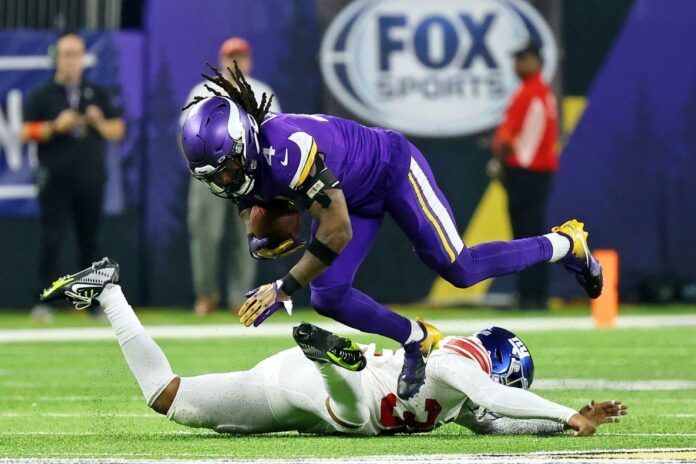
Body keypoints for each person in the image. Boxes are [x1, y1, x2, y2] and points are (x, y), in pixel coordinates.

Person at [179, 63, 603, 400]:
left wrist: (283, 288)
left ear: (245, 143)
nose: (226, 182)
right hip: (352, 194)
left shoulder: (287, 150)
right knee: (329, 296)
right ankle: (416, 339)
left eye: (229, 168)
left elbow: (337, 230)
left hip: (392, 169)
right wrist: (264, 236)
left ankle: (567, 243)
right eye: (215, 177)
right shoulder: (242, 168)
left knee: (459, 267)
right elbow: (256, 208)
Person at [40, 258, 627, 437]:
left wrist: (562, 427)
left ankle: (111, 289)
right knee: (356, 417)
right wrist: (567, 412)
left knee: (165, 397)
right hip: (335, 392)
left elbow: (496, 424)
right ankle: (333, 360)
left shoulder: (459, 389)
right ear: (500, 359)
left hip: (286, 382)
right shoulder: (458, 360)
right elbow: (489, 392)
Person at [22, 33, 125, 322]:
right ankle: (43, 303)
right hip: (55, 179)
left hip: (90, 179)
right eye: (66, 54)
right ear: (58, 58)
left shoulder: (96, 93)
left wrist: (98, 122)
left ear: (83, 58)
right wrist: (55, 126)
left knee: (90, 242)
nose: (71, 61)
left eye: (76, 54)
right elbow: (24, 132)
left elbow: (118, 131)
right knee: (52, 239)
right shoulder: (43, 95)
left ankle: (92, 305)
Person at [180, 37, 281, 316]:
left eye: (241, 56)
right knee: (205, 235)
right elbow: (186, 135)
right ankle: (206, 294)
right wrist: (197, 171)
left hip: (249, 177)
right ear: (221, 60)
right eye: (230, 56)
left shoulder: (261, 92)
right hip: (210, 177)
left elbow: (275, 136)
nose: (235, 62)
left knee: (248, 237)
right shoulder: (203, 91)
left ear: (249, 61)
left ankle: (240, 297)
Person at [489, 40, 560, 309]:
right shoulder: (545, 93)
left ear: (535, 62)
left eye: (522, 59)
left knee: (524, 235)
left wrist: (498, 162)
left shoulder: (528, 93)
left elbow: (508, 136)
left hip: (524, 172)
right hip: (540, 173)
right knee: (535, 233)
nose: (517, 65)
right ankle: (536, 295)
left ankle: (529, 296)